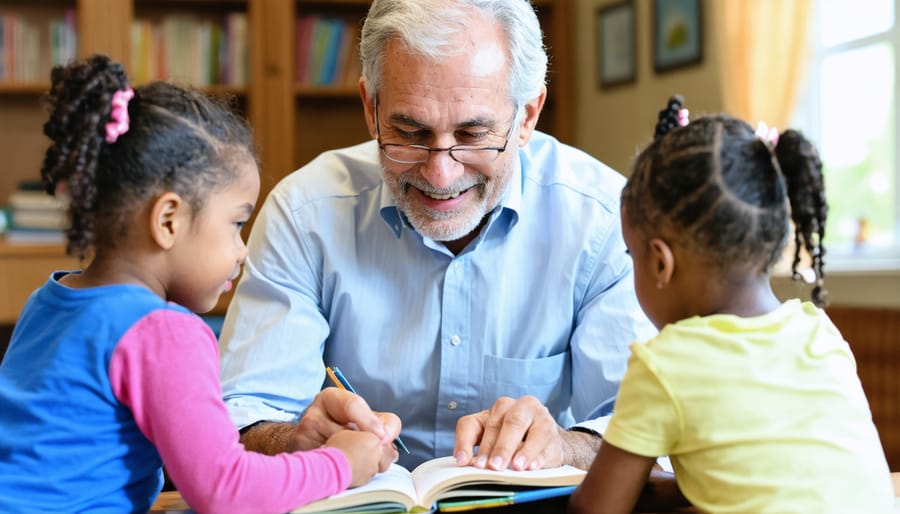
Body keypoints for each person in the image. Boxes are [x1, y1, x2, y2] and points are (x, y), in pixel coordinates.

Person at [218, 0, 655, 473]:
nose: (440, 174)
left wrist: (566, 446)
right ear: (371, 108)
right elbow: (244, 415)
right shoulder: (305, 213)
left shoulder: (603, 217)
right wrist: (294, 441)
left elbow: (646, 430)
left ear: (527, 116)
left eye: (472, 135)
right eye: (410, 131)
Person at [0, 54, 401, 514]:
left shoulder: (48, 299)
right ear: (168, 220)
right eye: (236, 223)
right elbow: (225, 489)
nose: (242, 250)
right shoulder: (164, 332)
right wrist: (340, 465)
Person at [568, 96, 895, 514]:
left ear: (660, 263)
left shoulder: (666, 362)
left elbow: (596, 509)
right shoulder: (819, 331)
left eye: (632, 258)